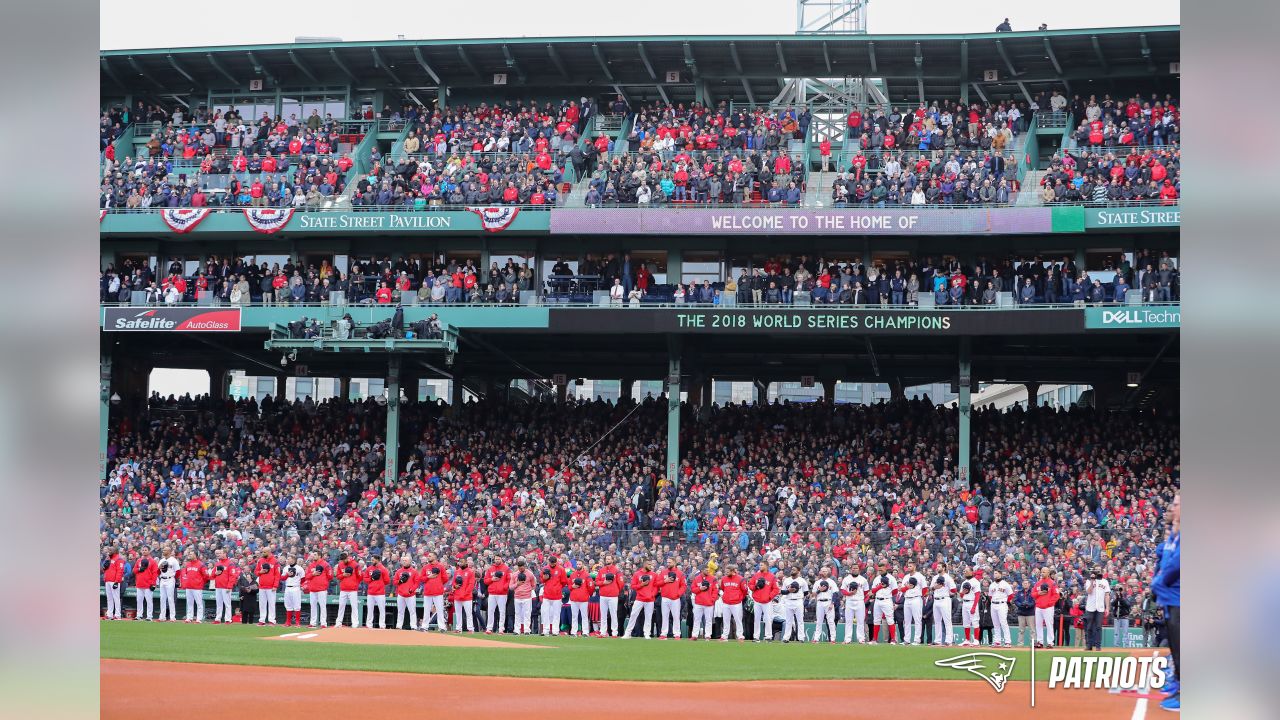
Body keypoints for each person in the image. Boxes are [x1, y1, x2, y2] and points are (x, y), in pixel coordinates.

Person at [1151, 493, 1180, 712]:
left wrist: (1158, 583)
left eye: (1177, 505)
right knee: (1176, 644)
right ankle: (1179, 685)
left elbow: (1172, 568)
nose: (1172, 508)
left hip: (1178, 597)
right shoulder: (1173, 537)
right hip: (1169, 597)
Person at [624, 559, 659, 639]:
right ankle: (627, 633)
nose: (651, 566)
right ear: (644, 565)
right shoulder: (637, 574)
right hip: (639, 598)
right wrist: (642, 584)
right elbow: (633, 586)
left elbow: (656, 587)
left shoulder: (654, 574)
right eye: (649, 564)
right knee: (633, 615)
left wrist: (652, 594)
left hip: (650, 599)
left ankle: (647, 633)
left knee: (648, 617)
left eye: (651, 564)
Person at [749, 561, 779, 642]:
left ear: (766, 566)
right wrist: (755, 587)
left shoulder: (772, 576)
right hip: (757, 601)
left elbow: (776, 589)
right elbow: (750, 585)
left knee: (768, 619)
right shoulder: (756, 575)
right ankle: (756, 636)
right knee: (757, 619)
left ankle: (768, 636)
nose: (760, 566)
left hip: (767, 601)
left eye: (761, 565)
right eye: (760, 565)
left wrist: (769, 597)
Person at [538, 556, 569, 636]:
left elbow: (564, 581)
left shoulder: (561, 569)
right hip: (547, 595)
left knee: (556, 614)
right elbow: (541, 579)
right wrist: (545, 578)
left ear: (556, 562)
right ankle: (545, 630)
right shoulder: (545, 568)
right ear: (549, 561)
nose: (551, 564)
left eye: (553, 563)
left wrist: (558, 588)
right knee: (545, 613)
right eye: (550, 563)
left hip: (557, 595)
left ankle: (555, 630)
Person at [657, 557, 687, 639]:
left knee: (676, 617)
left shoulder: (680, 573)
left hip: (675, 599)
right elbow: (657, 583)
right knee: (665, 616)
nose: (668, 564)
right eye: (667, 562)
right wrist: (665, 581)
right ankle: (664, 633)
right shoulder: (663, 572)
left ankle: (677, 634)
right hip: (665, 598)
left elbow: (683, 586)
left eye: (669, 562)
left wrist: (678, 594)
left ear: (674, 562)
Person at [419, 552, 450, 633]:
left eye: (430, 556)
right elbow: (421, 579)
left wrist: (439, 583)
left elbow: (445, 578)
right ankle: (424, 626)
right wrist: (428, 577)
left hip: (438, 592)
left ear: (435, 557)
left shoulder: (440, 567)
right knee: (426, 610)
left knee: (440, 610)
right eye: (428, 556)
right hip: (428, 592)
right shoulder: (425, 567)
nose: (428, 557)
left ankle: (442, 627)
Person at [870, 561, 899, 644]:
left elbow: (895, 591)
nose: (880, 571)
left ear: (885, 568)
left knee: (890, 619)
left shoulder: (891, 578)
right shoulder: (876, 578)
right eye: (879, 570)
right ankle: (875, 639)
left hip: (887, 600)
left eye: (881, 569)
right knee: (876, 620)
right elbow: (873, 590)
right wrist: (880, 587)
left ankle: (893, 639)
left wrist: (888, 595)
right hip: (878, 600)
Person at [778, 566, 810, 643]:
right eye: (792, 569)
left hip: (798, 601)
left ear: (798, 571)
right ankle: (786, 638)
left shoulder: (802, 581)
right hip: (788, 601)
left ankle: (801, 638)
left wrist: (797, 591)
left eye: (794, 569)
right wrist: (789, 591)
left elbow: (806, 592)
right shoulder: (787, 580)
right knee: (788, 621)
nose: (792, 571)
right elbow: (782, 592)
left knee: (800, 621)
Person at [1031, 566, 1060, 648]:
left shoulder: (1052, 583)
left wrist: (1049, 604)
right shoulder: (1038, 583)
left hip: (1048, 607)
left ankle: (1050, 642)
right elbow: (1032, 594)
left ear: (1048, 573)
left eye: (1044, 572)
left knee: (1049, 625)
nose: (1042, 573)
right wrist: (1038, 594)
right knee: (1038, 625)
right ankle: (1040, 642)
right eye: (1041, 572)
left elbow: (1056, 595)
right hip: (1039, 607)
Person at [900, 562, 927, 645]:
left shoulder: (919, 576)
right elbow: (902, 589)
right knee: (907, 620)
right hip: (907, 599)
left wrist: (920, 596)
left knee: (917, 620)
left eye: (910, 566)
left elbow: (925, 588)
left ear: (915, 567)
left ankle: (916, 640)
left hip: (916, 598)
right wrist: (907, 587)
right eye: (908, 566)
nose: (909, 567)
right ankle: (906, 640)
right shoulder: (906, 577)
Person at [596, 555, 624, 638]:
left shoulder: (616, 570)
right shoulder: (601, 570)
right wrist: (603, 583)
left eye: (609, 559)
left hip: (613, 596)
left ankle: (614, 633)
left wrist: (616, 590)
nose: (607, 560)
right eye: (606, 559)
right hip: (603, 595)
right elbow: (597, 582)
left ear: (612, 560)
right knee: (603, 615)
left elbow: (621, 583)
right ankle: (603, 632)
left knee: (613, 614)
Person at [333, 552, 363, 628]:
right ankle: (338, 622)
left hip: (352, 590)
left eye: (343, 560)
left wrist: (355, 584)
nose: (343, 561)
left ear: (347, 558)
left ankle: (355, 623)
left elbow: (360, 576)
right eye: (341, 560)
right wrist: (343, 575)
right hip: (343, 589)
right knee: (341, 606)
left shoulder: (355, 564)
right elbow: (338, 577)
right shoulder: (340, 565)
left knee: (354, 606)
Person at [1083, 567, 1110, 651]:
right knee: (1089, 627)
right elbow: (1089, 592)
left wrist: (1107, 608)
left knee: (1098, 627)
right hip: (1090, 607)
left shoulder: (1104, 581)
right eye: (1096, 570)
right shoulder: (1088, 580)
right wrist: (1092, 581)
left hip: (1100, 607)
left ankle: (1098, 646)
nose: (1097, 571)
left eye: (1099, 570)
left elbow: (1107, 595)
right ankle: (1089, 645)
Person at [841, 566, 869, 644]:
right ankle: (847, 639)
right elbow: (842, 590)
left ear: (859, 569)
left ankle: (861, 639)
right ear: (851, 569)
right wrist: (849, 593)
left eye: (856, 568)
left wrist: (863, 599)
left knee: (860, 621)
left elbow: (866, 592)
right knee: (848, 621)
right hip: (849, 601)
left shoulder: (863, 579)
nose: (854, 569)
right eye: (853, 568)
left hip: (859, 601)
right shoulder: (847, 579)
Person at [718, 565, 747, 642]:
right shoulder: (724, 579)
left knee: (738, 620)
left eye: (728, 572)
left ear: (733, 571)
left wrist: (739, 598)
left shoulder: (740, 579)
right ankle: (724, 636)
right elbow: (723, 589)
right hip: (726, 603)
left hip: (736, 603)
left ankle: (740, 636)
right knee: (726, 620)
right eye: (725, 572)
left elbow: (744, 591)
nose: (726, 573)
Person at [483, 556, 511, 634]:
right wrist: (492, 579)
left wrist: (504, 588)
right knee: (490, 611)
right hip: (492, 593)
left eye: (498, 559)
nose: (497, 560)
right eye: (496, 559)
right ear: (494, 560)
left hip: (502, 593)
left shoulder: (506, 568)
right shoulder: (490, 569)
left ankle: (501, 629)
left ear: (501, 559)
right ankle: (489, 628)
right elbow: (485, 581)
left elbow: (509, 579)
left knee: (502, 611)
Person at [304, 552, 333, 628]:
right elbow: (306, 577)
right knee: (312, 606)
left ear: (320, 556)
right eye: (313, 555)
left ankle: (323, 623)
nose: (313, 556)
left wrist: (324, 581)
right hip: (313, 589)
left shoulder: (325, 564)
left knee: (322, 606)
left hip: (322, 589)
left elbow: (330, 576)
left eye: (315, 555)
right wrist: (313, 574)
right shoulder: (311, 565)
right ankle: (312, 623)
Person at [178, 552, 209, 623]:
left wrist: (200, 582)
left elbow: (206, 576)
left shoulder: (201, 564)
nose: (189, 555)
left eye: (191, 554)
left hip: (197, 587)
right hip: (189, 587)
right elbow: (186, 574)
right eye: (189, 554)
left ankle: (199, 619)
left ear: (195, 555)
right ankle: (189, 617)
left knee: (199, 603)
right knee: (189, 603)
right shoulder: (188, 564)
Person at [689, 567, 718, 640]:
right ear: (702, 570)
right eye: (706, 570)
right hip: (698, 603)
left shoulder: (713, 578)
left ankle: (708, 635)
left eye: (708, 570)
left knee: (708, 620)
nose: (708, 571)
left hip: (709, 603)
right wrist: (700, 589)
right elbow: (692, 589)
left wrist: (713, 599)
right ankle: (694, 635)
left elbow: (715, 590)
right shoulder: (696, 578)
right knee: (697, 619)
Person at [811, 567, 839, 643]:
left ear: (828, 572)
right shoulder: (817, 582)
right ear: (820, 572)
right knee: (819, 621)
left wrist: (832, 603)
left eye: (825, 571)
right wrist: (819, 590)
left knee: (831, 621)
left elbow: (835, 593)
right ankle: (816, 638)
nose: (824, 572)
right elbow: (813, 594)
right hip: (820, 602)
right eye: (822, 571)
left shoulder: (831, 582)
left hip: (828, 602)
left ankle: (833, 639)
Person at [363, 555, 391, 630]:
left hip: (380, 593)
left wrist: (379, 583)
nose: (372, 561)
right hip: (371, 592)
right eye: (371, 560)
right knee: (370, 609)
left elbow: (387, 581)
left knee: (381, 609)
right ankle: (369, 624)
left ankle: (382, 625)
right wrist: (371, 579)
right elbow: (365, 579)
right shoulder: (369, 569)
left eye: (373, 560)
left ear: (378, 560)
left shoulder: (383, 569)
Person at [254, 549, 280, 626]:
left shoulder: (275, 561)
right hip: (262, 586)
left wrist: (275, 586)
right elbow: (256, 572)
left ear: (269, 552)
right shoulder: (260, 560)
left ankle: (272, 620)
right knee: (262, 604)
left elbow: (277, 575)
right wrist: (260, 572)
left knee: (271, 604)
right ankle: (262, 620)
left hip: (271, 587)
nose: (263, 553)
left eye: (264, 552)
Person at [988, 570, 1015, 648]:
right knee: (995, 624)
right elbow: (990, 596)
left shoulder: (1005, 584)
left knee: (1003, 623)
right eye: (994, 573)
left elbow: (1011, 595)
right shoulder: (992, 585)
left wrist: (1006, 601)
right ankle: (997, 641)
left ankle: (1007, 642)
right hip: (993, 604)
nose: (995, 575)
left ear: (1000, 574)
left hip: (1002, 604)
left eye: (996, 573)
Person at [393, 557, 420, 630]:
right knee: (400, 611)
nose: (404, 562)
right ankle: (399, 625)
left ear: (410, 562)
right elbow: (394, 581)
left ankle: (413, 626)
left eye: (406, 560)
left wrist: (411, 590)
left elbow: (417, 582)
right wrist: (400, 581)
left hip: (410, 594)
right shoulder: (399, 571)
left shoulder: (414, 571)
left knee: (412, 611)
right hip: (401, 594)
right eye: (403, 560)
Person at [568, 564, 595, 637]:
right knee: (574, 616)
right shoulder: (572, 575)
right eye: (577, 564)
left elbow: (591, 586)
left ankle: (585, 632)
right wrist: (572, 586)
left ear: (582, 565)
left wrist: (588, 594)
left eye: (579, 564)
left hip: (583, 599)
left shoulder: (587, 575)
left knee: (584, 616)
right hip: (574, 598)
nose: (578, 565)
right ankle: (573, 632)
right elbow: (569, 586)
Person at [511, 558, 537, 635]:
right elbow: (511, 587)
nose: (520, 569)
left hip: (526, 597)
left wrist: (528, 590)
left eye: (522, 567)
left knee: (527, 614)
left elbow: (533, 585)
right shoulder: (514, 574)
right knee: (517, 614)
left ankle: (526, 630)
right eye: (519, 567)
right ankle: (517, 630)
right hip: (517, 597)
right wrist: (517, 584)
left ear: (525, 566)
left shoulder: (530, 574)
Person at [451, 557, 477, 632]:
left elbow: (471, 584)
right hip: (457, 596)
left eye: (462, 562)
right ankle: (458, 628)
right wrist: (455, 586)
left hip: (467, 597)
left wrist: (465, 593)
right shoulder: (457, 571)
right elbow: (454, 582)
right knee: (458, 613)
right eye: (460, 562)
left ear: (466, 563)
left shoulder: (470, 571)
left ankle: (470, 629)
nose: (461, 563)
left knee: (468, 614)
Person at [958, 567, 982, 646]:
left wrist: (974, 607)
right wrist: (963, 592)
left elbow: (977, 595)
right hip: (965, 602)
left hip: (972, 602)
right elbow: (961, 596)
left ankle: (976, 640)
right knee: (966, 622)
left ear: (972, 572)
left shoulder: (975, 582)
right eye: (964, 571)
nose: (965, 572)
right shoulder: (964, 582)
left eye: (967, 571)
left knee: (975, 621)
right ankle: (967, 640)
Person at [930, 570, 955, 646]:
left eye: (939, 566)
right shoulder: (935, 577)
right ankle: (937, 640)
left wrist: (945, 587)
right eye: (937, 566)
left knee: (947, 620)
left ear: (944, 568)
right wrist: (935, 587)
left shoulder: (948, 578)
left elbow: (954, 590)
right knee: (937, 621)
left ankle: (948, 640)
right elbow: (931, 588)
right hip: (936, 599)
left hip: (945, 599)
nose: (937, 568)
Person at [131, 548, 157, 621]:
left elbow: (155, 573)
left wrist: (153, 584)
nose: (144, 551)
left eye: (145, 550)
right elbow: (134, 570)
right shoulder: (139, 560)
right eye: (143, 550)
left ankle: (149, 616)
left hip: (148, 584)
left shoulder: (152, 561)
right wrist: (139, 569)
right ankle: (139, 615)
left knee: (149, 601)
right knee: (139, 600)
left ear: (149, 551)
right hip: (139, 584)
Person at [156, 548, 180, 622]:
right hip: (162, 579)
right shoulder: (161, 560)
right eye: (163, 550)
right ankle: (162, 616)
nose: (163, 551)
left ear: (169, 551)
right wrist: (158, 568)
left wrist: (173, 579)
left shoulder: (173, 560)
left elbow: (178, 572)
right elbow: (157, 572)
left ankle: (172, 617)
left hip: (170, 579)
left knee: (170, 598)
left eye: (165, 550)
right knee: (162, 598)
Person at [102, 548, 125, 620]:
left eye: (110, 550)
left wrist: (117, 581)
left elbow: (120, 571)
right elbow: (104, 570)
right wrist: (104, 566)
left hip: (114, 581)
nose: (109, 552)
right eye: (109, 550)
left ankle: (118, 615)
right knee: (109, 598)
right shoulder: (108, 559)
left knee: (116, 598)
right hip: (108, 580)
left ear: (115, 551)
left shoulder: (119, 559)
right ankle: (109, 614)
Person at [281, 557, 304, 627]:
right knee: (288, 605)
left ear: (293, 560)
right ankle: (288, 622)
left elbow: (303, 579)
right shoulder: (285, 568)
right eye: (287, 559)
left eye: (289, 559)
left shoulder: (299, 568)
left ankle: (297, 623)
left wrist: (301, 585)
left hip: (296, 587)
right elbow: (282, 578)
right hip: (287, 587)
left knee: (297, 605)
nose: (287, 560)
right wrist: (287, 575)